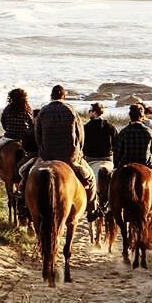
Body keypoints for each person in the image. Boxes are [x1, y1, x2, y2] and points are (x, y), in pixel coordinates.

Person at [20, 84, 101, 222]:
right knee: (91, 178)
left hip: (46, 156)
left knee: (24, 173)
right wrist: (78, 151)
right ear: (64, 95)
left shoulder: (44, 111)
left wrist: (42, 150)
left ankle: (24, 204)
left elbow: (37, 134)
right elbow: (80, 134)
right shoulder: (71, 110)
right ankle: (92, 208)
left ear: (52, 96)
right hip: (69, 158)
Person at [113, 103, 152, 214]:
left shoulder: (124, 132)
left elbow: (117, 151)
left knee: (112, 181)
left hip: (126, 163)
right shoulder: (147, 131)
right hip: (146, 163)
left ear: (130, 116)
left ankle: (110, 204)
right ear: (141, 116)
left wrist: (116, 166)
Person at [0, 88, 36, 183]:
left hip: (9, 137)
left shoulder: (8, 109)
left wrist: (9, 129)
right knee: (33, 154)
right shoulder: (27, 108)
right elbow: (31, 123)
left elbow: (3, 122)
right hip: (23, 139)